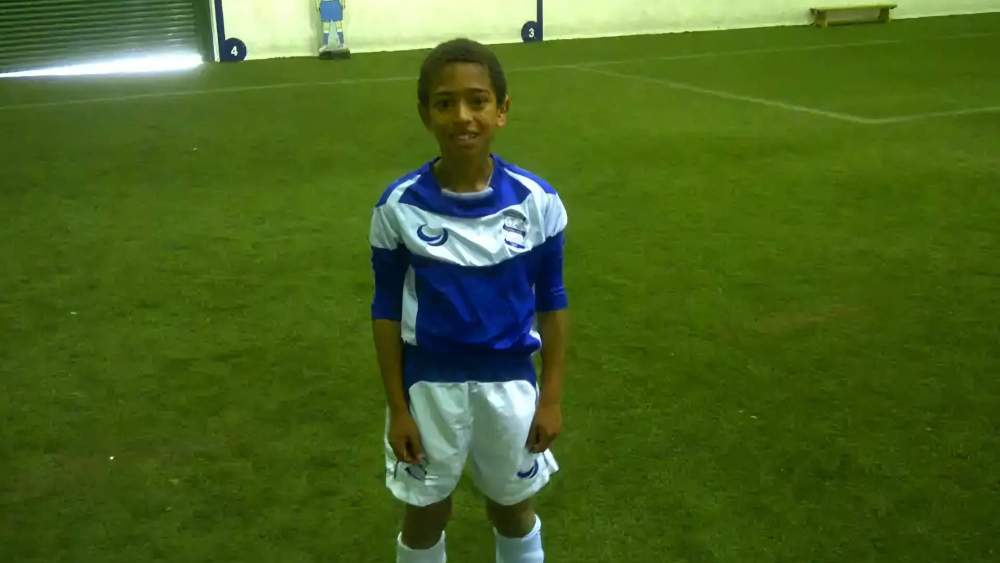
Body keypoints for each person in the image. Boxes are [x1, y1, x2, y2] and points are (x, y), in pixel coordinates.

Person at [368, 38, 570, 563]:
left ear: (501, 110)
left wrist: (549, 396)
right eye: (444, 103)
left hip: (509, 385)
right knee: (427, 513)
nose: (462, 116)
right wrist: (397, 409)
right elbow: (385, 310)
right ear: (425, 114)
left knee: (512, 508)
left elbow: (552, 299)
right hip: (429, 387)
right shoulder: (398, 207)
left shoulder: (538, 201)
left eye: (478, 101)